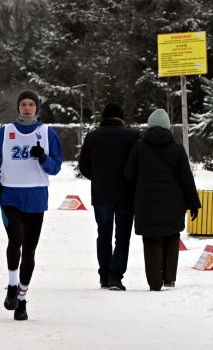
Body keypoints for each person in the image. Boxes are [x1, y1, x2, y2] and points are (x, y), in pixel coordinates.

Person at [0, 91, 63, 321]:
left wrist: (43, 158)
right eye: (23, 104)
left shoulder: (48, 133)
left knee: (29, 250)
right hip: (10, 196)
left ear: (37, 108)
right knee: (15, 240)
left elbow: (56, 167)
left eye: (31, 104)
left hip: (36, 198)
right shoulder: (5, 132)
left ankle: (21, 299)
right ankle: (11, 284)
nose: (27, 108)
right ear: (18, 108)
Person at [123, 108, 201, 291]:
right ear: (168, 128)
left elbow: (128, 174)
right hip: (173, 205)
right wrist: (194, 204)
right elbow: (186, 179)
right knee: (172, 238)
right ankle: (169, 278)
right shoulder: (177, 149)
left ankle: (154, 283)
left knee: (151, 241)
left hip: (146, 204)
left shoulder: (139, 147)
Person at [79, 103, 140, 291]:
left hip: (101, 194)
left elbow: (83, 166)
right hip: (126, 194)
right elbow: (138, 163)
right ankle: (116, 277)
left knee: (103, 234)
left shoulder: (92, 137)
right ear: (121, 117)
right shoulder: (133, 136)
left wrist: (97, 178)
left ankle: (104, 275)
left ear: (103, 118)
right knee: (122, 236)